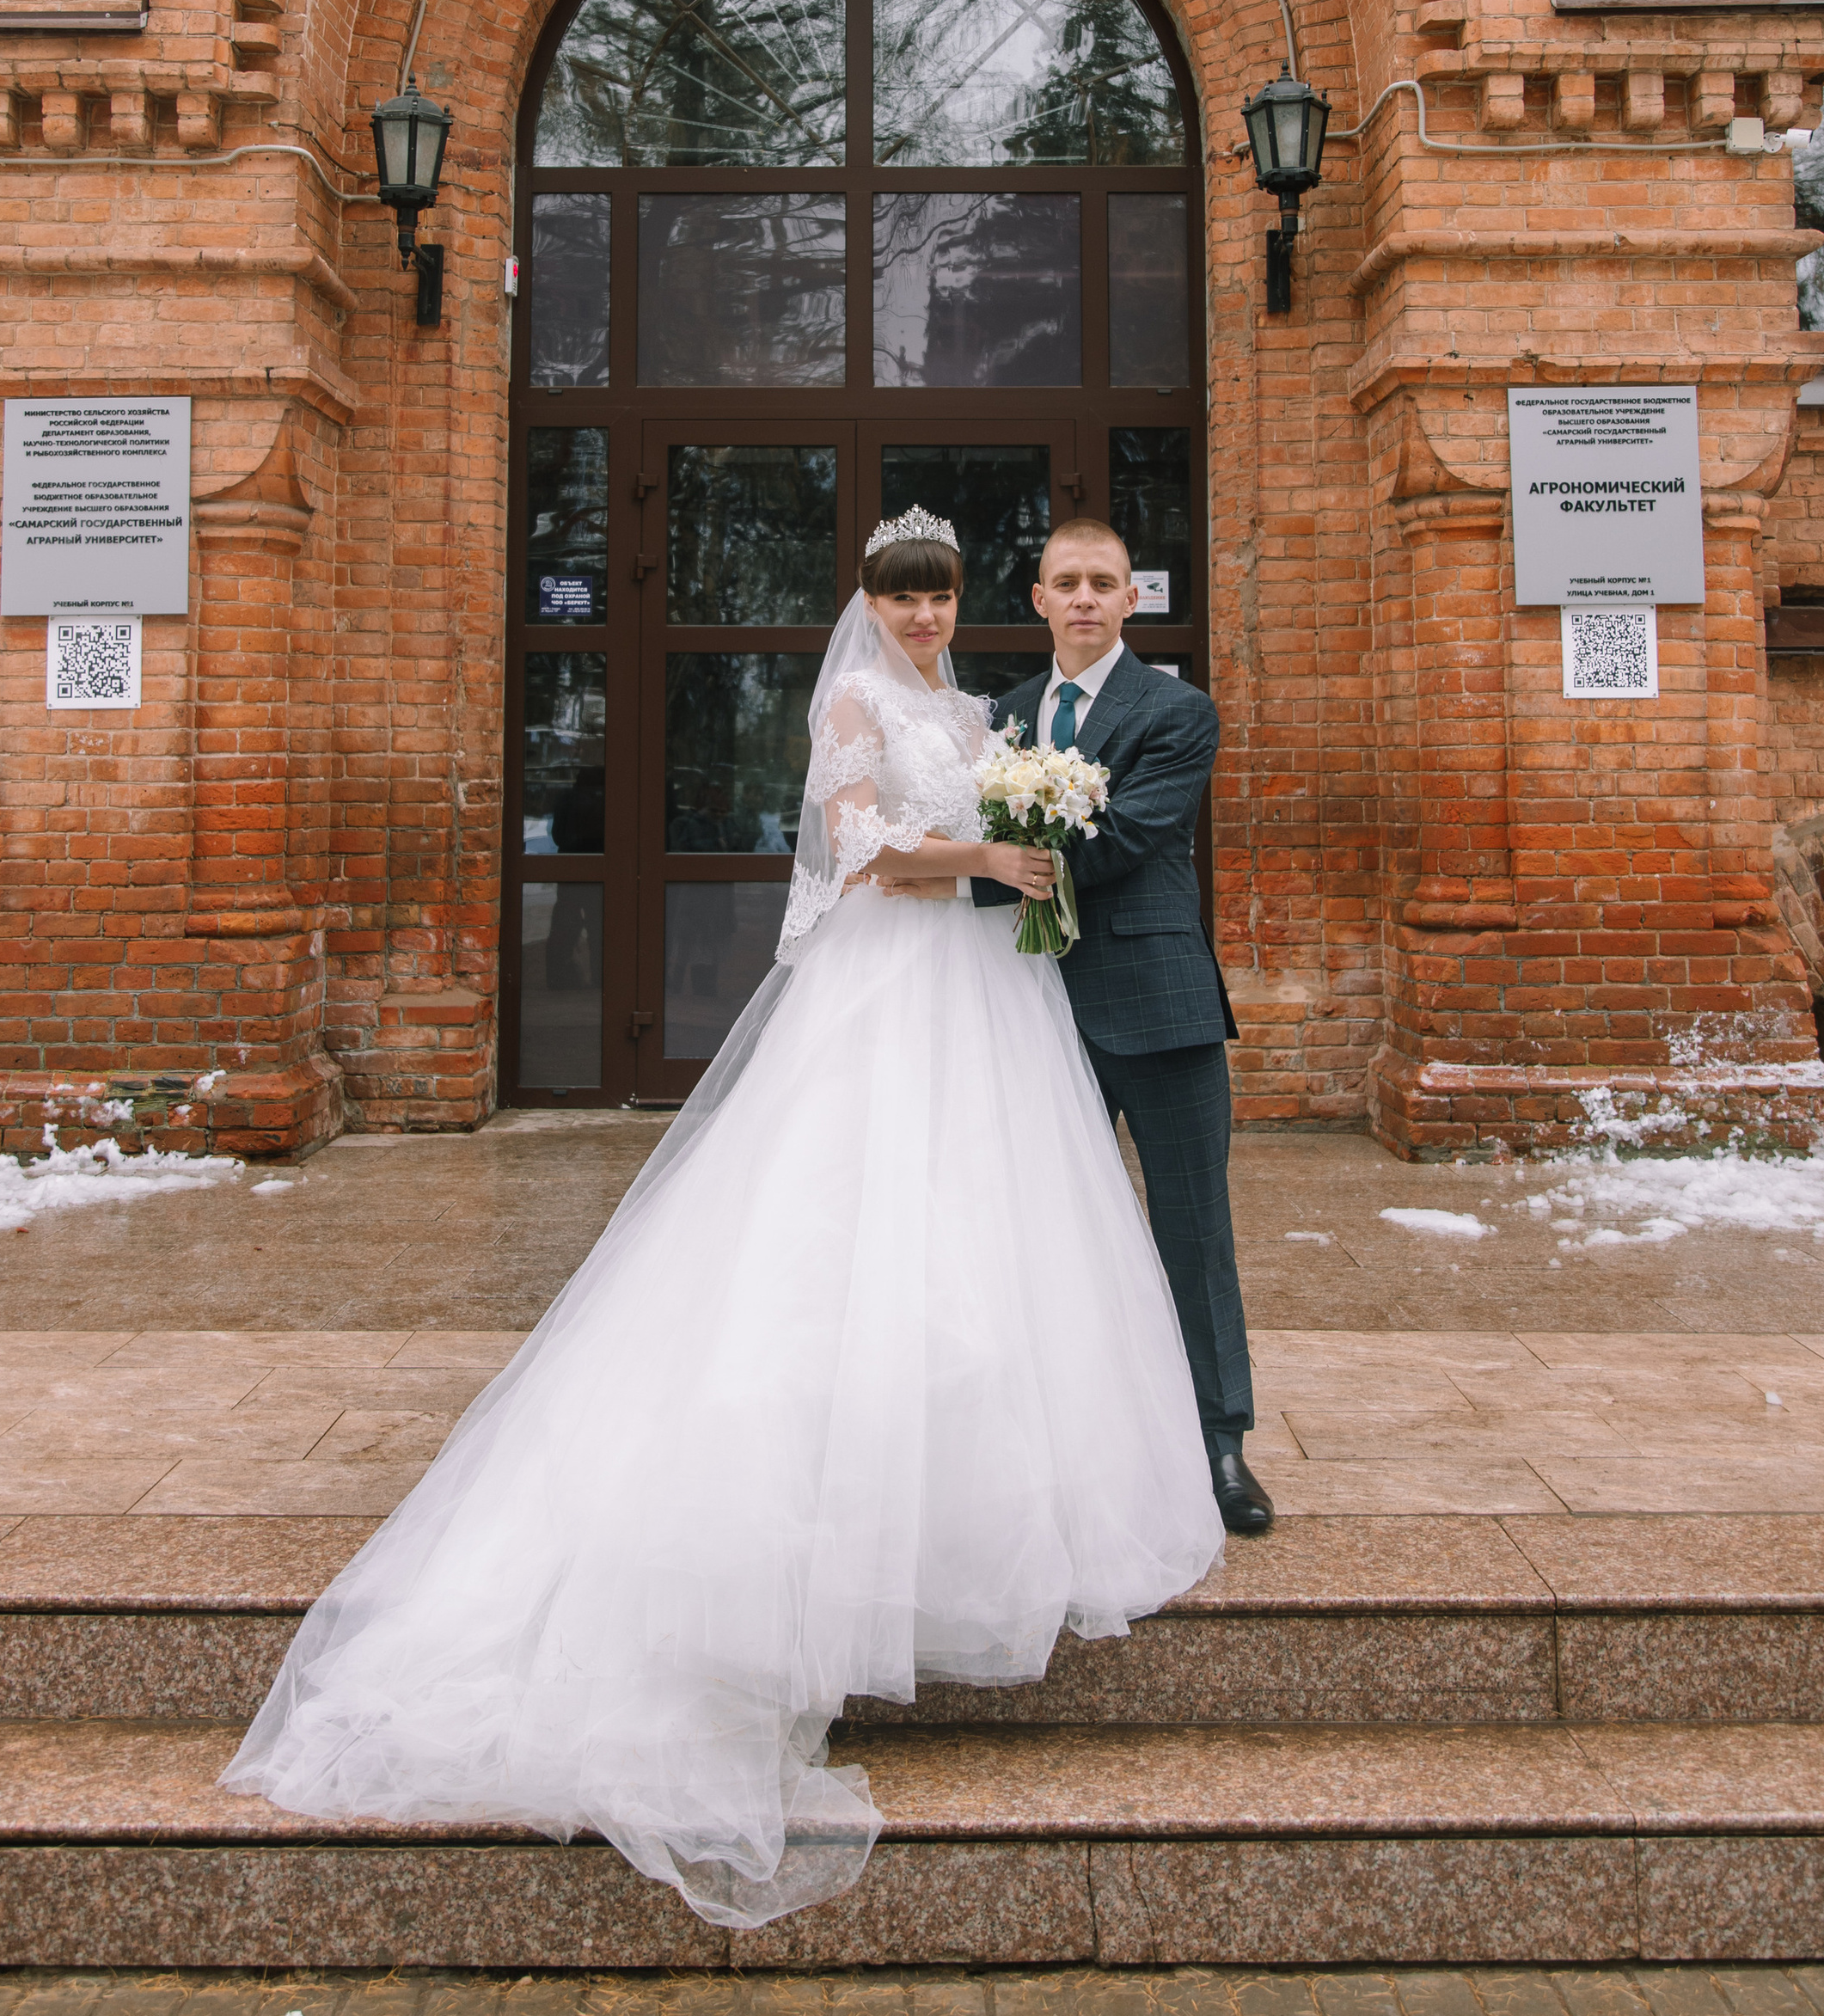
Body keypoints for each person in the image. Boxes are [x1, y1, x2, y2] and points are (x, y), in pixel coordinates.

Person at [218, 507, 1222, 1930]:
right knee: (843, 1237)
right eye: (903, 596)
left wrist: (1017, 839)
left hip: (988, 996)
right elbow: (861, 846)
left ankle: (965, 1506)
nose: (926, 617)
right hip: (896, 985)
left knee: (983, 1249)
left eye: (940, 598)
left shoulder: (975, 705)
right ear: (868, 604)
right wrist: (992, 864)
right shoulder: (863, 702)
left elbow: (1002, 812)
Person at [969, 518, 1270, 1537]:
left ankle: (1218, 1442)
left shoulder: (1176, 709)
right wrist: (972, 865)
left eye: (1104, 582)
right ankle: (1068, 1444)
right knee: (1047, 1234)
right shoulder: (1002, 717)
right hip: (1031, 1015)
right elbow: (970, 828)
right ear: (1038, 598)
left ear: (1130, 599)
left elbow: (1138, 831)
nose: (1086, 598)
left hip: (1159, 1004)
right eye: (1068, 582)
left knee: (1192, 1230)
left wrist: (1004, 865)